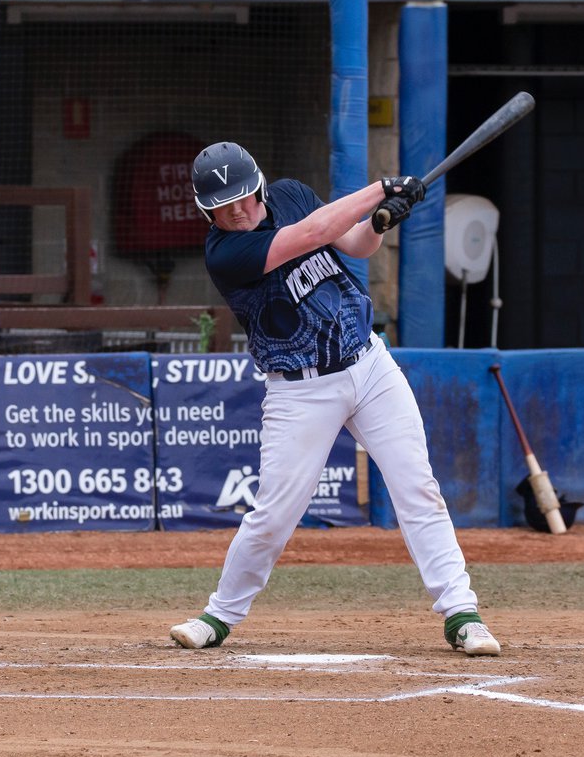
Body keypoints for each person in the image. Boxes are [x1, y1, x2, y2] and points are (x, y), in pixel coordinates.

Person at [169, 142, 500, 657]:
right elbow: (312, 234)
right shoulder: (226, 253)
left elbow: (352, 244)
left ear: (259, 185)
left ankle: (462, 612)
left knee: (418, 486)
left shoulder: (292, 195)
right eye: (223, 207)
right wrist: (381, 189)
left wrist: (381, 219)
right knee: (275, 513)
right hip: (300, 390)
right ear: (206, 211)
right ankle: (220, 614)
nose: (238, 211)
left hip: (368, 365)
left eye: (244, 198)